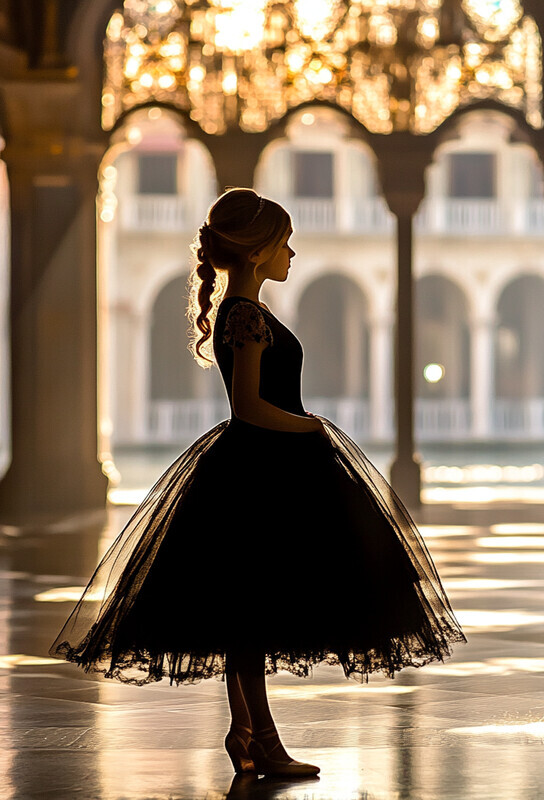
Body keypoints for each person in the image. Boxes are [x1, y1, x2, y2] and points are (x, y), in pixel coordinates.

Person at [48, 187, 467, 779]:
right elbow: (247, 406)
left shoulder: (249, 312)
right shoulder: (245, 314)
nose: (292, 253)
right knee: (249, 608)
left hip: (263, 464)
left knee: (249, 608)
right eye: (285, 242)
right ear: (257, 250)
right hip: (261, 465)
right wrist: (309, 425)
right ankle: (256, 737)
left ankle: (249, 733)